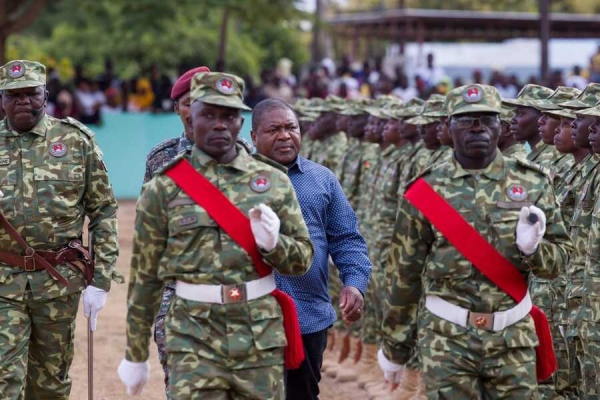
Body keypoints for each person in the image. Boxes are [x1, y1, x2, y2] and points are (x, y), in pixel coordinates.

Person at [118, 72, 314, 399]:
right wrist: (136, 353)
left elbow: (302, 260)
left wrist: (274, 244)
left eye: (228, 115)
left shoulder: (273, 182)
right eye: (209, 114)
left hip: (258, 335)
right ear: (190, 119)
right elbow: (145, 277)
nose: (220, 124)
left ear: (240, 122)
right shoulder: (163, 190)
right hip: (191, 336)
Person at [379, 84, 573, 398]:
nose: (477, 128)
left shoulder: (532, 181)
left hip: (513, 337)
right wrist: (395, 347)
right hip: (448, 337)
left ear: (501, 125)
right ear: (448, 126)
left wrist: (534, 250)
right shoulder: (425, 190)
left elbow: (561, 260)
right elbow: (404, 274)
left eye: (486, 119)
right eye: (466, 120)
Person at [0, 59, 119, 399]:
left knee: (49, 385)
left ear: (45, 95)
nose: (23, 101)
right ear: (2, 100)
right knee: (4, 381)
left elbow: (103, 211)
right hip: (3, 281)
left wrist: (101, 279)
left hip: (58, 283)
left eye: (31, 94)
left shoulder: (76, 142)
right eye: (14, 95)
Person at [251, 98, 371, 400]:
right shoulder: (236, 181)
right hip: (248, 316)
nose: (284, 135)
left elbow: (347, 239)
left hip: (307, 315)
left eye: (291, 127)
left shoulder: (322, 180)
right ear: (253, 137)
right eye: (273, 129)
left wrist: (354, 285)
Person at [146, 65, 253, 396]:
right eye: (188, 103)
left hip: (237, 288)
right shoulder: (161, 159)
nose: (196, 111)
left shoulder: (246, 154)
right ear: (177, 109)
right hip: (178, 290)